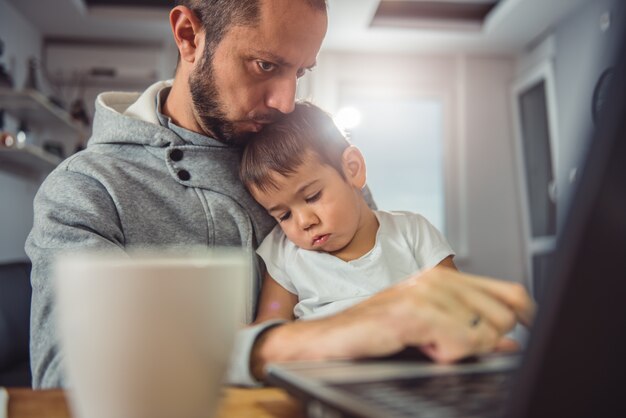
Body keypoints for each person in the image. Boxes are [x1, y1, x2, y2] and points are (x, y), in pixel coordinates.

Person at [26, 0, 534, 389]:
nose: (286, 101)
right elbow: (66, 384)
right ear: (188, 36)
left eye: (301, 72)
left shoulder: (313, 159)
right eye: (266, 66)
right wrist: (290, 344)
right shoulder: (86, 191)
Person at [240, 101, 457, 322]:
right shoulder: (284, 252)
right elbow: (269, 329)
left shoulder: (412, 231)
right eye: (284, 215)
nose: (304, 221)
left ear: (353, 169)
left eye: (312, 196)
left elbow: (458, 305)